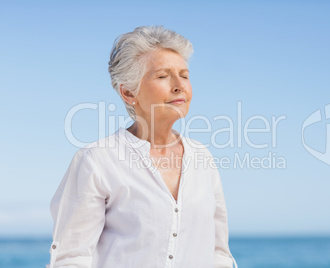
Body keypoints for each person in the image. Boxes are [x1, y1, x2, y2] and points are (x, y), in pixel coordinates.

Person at [47, 25, 237, 268]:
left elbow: (218, 252)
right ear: (128, 93)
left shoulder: (202, 157)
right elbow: (71, 258)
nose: (179, 85)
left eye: (185, 74)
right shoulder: (97, 160)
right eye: (162, 76)